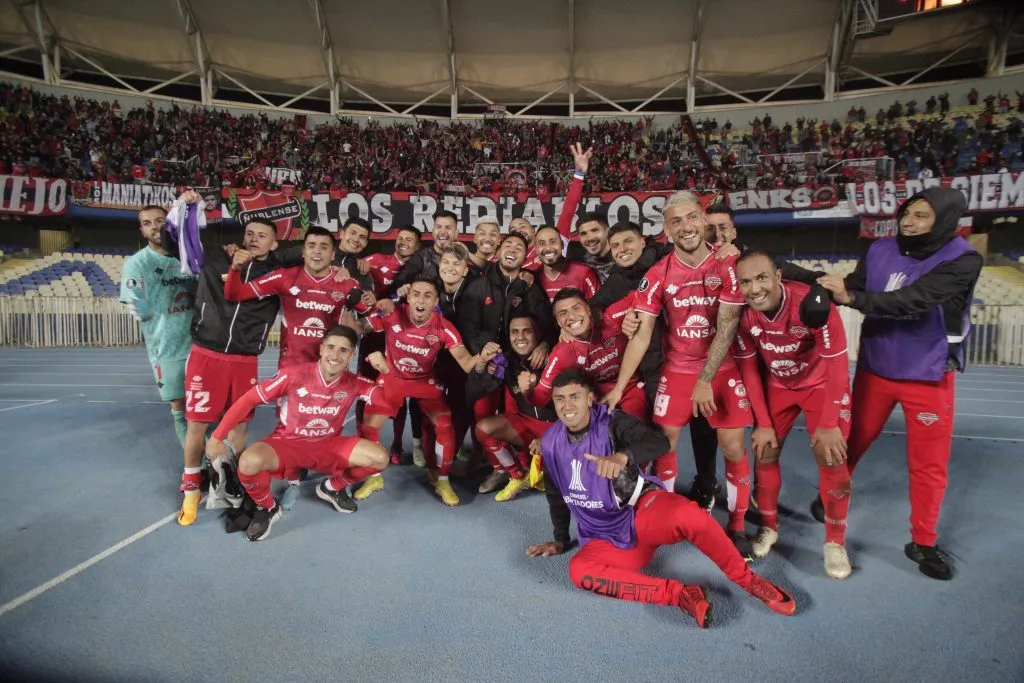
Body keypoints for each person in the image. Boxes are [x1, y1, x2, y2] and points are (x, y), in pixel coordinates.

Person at [526, 370, 796, 628]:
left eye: (575, 396)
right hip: (605, 536)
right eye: (560, 398)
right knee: (579, 571)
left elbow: (659, 443)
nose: (567, 405)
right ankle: (681, 595)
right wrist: (560, 538)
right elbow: (555, 492)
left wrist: (623, 456)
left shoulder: (612, 421)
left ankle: (748, 580)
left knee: (690, 515)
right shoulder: (550, 442)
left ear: (589, 398)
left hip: (641, 512)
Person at [817, 187, 982, 581]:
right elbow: (851, 285)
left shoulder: (963, 259)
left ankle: (922, 541)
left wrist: (852, 297)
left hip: (928, 373)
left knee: (927, 465)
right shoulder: (879, 249)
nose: (909, 221)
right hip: (876, 367)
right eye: (907, 212)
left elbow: (914, 300)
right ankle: (831, 500)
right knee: (847, 443)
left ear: (944, 220)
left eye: (921, 215)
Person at [607, 190, 754, 556]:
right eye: (676, 221)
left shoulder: (728, 266)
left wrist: (705, 380)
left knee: (733, 446)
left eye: (691, 218)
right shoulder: (657, 274)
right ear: (666, 229)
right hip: (677, 370)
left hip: (721, 370)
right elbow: (640, 337)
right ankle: (667, 518)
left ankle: (736, 528)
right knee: (664, 444)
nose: (685, 226)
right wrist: (618, 387)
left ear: (704, 220)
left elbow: (727, 327)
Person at [223, 225, 372, 508]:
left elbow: (369, 313)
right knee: (290, 428)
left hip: (332, 367)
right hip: (292, 367)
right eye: (312, 245)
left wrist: (371, 301)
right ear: (303, 251)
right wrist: (234, 269)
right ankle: (293, 480)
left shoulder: (346, 283)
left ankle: (332, 480)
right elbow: (235, 294)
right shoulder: (284, 277)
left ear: (333, 253)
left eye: (324, 247)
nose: (317, 251)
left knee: (329, 419)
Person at [732, 250, 853, 580]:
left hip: (821, 384)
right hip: (779, 386)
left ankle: (835, 541)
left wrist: (829, 423)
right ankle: (769, 527)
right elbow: (749, 369)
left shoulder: (811, 305)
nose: (754, 289)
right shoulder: (742, 315)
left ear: (778, 277)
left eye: (761, 279)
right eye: (745, 282)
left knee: (831, 457)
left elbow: (838, 364)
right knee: (765, 450)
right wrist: (763, 422)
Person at [206, 326, 389, 541]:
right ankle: (267, 507)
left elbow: (387, 401)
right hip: (287, 443)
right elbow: (248, 400)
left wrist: (387, 373)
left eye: (343, 350)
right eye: (330, 347)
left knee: (379, 459)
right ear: (321, 349)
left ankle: (331, 487)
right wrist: (217, 436)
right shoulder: (293, 375)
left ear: (351, 355)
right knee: (249, 462)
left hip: (328, 444)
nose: (335, 355)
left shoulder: (355, 382)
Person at [595, 221, 722, 510]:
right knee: (665, 436)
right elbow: (594, 310)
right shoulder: (615, 282)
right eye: (615, 246)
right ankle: (663, 495)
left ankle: (706, 483)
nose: (622, 249)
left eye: (627, 242)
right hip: (655, 369)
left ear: (643, 241)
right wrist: (619, 320)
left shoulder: (668, 260)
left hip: (693, 363)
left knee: (704, 429)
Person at [354, 276, 500, 506]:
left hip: (425, 382)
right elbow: (360, 328)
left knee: (444, 424)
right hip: (393, 378)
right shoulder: (391, 313)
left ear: (435, 301)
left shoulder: (444, 327)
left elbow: (465, 362)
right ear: (408, 297)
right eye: (416, 294)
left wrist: (481, 358)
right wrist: (363, 308)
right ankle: (373, 478)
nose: (421, 300)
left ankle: (442, 480)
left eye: (428, 295)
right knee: (369, 424)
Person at [178, 217, 283, 526]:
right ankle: (190, 489)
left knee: (238, 430)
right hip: (206, 355)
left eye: (262, 236)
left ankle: (234, 484)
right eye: (249, 234)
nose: (254, 239)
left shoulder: (277, 276)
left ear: (273, 244)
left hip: (244, 360)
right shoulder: (216, 258)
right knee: (197, 426)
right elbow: (184, 241)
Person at [119, 203, 197, 447]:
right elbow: (133, 297)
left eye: (160, 220)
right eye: (147, 223)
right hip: (167, 348)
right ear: (141, 231)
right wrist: (138, 306)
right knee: (180, 407)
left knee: (207, 407)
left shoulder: (189, 257)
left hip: (202, 345)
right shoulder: (137, 263)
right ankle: (196, 467)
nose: (154, 227)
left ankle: (214, 460)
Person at [522, 288, 648, 419]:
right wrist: (527, 391)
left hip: (631, 388)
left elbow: (642, 295)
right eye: (563, 313)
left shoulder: (610, 319)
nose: (571, 317)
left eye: (576, 308)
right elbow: (540, 397)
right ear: (558, 322)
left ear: (588, 309)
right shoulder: (562, 353)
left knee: (632, 426)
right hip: (599, 401)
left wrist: (632, 312)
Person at [471, 313, 557, 502]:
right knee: (484, 428)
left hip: (557, 431)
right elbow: (476, 389)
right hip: (527, 424)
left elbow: (576, 413)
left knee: (562, 486)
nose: (520, 337)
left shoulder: (555, 359)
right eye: (514, 332)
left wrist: (549, 438)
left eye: (527, 331)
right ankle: (518, 475)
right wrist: (483, 366)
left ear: (538, 335)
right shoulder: (507, 361)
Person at [362, 226, 423, 464]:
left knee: (412, 395)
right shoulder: (375, 261)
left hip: (409, 337)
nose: (403, 242)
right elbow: (349, 268)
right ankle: (370, 442)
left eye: (409, 239)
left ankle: (408, 443)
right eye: (400, 238)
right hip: (376, 335)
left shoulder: (422, 267)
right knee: (369, 391)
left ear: (418, 246)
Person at [534, 226, 599, 301]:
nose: (548, 248)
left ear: (562, 245)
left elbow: (597, 308)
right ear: (536, 249)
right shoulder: (533, 277)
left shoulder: (584, 273)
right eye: (542, 243)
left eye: (553, 242)